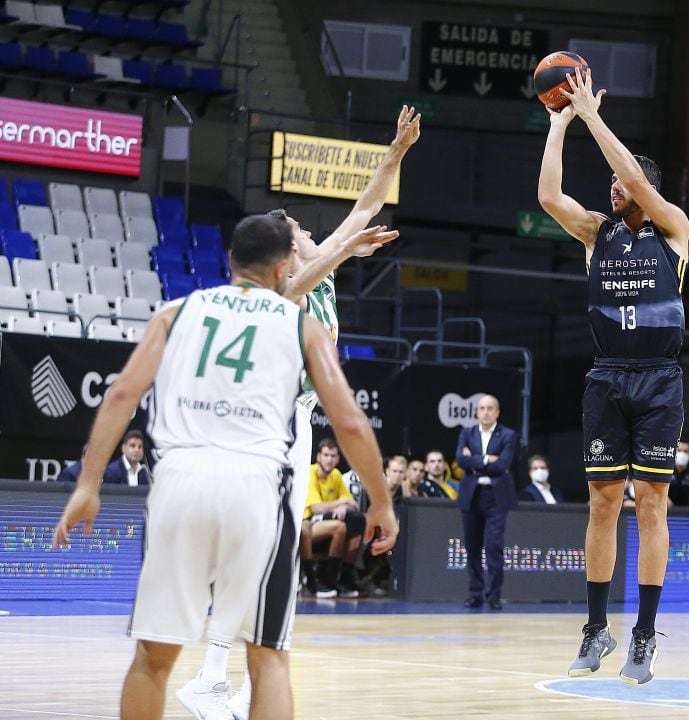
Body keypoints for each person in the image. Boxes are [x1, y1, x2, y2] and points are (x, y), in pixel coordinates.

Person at [51, 214, 397, 720]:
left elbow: (122, 393)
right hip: (257, 490)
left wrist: (87, 484)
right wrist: (381, 500)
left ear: (231, 259)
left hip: (180, 488)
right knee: (269, 659)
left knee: (151, 658)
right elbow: (347, 419)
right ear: (284, 268)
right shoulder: (300, 323)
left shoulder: (176, 312)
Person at [179, 105, 420, 720]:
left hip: (288, 425)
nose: (318, 232)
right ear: (288, 248)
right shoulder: (289, 283)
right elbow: (337, 245)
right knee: (266, 557)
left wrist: (395, 152)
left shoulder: (322, 275)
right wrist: (346, 247)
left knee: (265, 558)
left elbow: (364, 208)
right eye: (301, 231)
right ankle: (224, 684)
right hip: (265, 429)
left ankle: (216, 681)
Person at [538, 66, 689, 684]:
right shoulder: (595, 234)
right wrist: (559, 124)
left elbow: (629, 173)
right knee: (603, 503)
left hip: (658, 378)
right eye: (609, 185)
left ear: (644, 190)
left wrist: (592, 115)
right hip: (607, 376)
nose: (612, 190)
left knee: (652, 503)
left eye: (621, 185)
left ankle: (646, 635)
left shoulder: (673, 227)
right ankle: (596, 628)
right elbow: (550, 197)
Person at [455, 394, 518, 610]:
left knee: (493, 546)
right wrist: (486, 459)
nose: (485, 412)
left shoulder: (508, 434)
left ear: (497, 412)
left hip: (496, 497)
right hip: (472, 495)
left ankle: (494, 595)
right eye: (481, 408)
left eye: (490, 408)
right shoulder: (467, 432)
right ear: (476, 412)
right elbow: (460, 460)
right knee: (472, 547)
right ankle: (475, 593)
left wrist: (475, 460)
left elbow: (503, 464)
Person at [304, 438, 365, 597]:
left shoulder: (336, 475)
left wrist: (344, 506)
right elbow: (316, 508)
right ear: (318, 457)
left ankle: (344, 577)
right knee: (340, 526)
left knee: (357, 522)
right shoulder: (310, 472)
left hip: (325, 520)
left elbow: (354, 504)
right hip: (306, 524)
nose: (329, 460)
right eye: (326, 455)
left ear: (338, 459)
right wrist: (341, 502)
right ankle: (324, 578)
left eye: (333, 456)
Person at [669, 440, 689, 507]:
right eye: (679, 450)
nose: (682, 454)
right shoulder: (666, 471)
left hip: (687, 512)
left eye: (685, 451)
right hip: (667, 509)